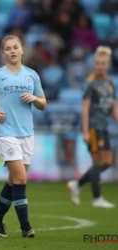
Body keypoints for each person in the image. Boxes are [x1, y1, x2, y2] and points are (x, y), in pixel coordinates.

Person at [0, 35, 46, 238]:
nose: (12, 51)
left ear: (22, 50)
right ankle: (26, 227)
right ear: (4, 52)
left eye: (15, 47)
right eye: (8, 48)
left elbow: (43, 103)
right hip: (6, 132)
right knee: (20, 179)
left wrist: (34, 98)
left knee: (13, 180)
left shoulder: (32, 75)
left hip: (27, 133)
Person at [67, 46, 117, 208]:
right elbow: (85, 108)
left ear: (108, 65)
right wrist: (86, 131)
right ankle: (97, 198)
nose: (100, 66)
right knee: (98, 161)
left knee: (108, 162)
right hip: (93, 127)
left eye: (103, 63)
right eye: (97, 63)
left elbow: (114, 107)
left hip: (104, 126)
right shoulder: (90, 83)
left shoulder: (110, 83)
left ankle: (77, 184)